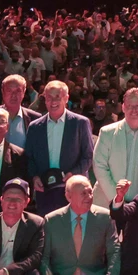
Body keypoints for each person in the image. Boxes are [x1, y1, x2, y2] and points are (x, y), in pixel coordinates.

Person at [26, 81, 94, 215]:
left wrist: (73, 174)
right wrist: (34, 177)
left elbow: (88, 156)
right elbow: (29, 157)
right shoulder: (34, 127)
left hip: (74, 189)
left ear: (66, 98)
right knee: (48, 231)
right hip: (45, 190)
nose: (53, 101)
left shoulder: (80, 123)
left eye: (58, 96)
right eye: (49, 97)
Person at [40, 174, 120, 275]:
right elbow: (44, 256)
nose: (89, 197)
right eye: (83, 193)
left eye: (90, 192)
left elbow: (114, 252)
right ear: (69, 196)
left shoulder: (105, 217)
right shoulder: (52, 220)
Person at [92, 88, 138, 206]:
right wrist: (117, 199)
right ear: (123, 107)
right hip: (106, 202)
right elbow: (99, 166)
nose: (133, 110)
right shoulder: (107, 133)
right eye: (129, 106)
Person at [0, 75, 43, 150]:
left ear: (24, 92)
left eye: (18, 91)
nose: (13, 95)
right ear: (3, 92)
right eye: (9, 91)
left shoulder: (35, 119)